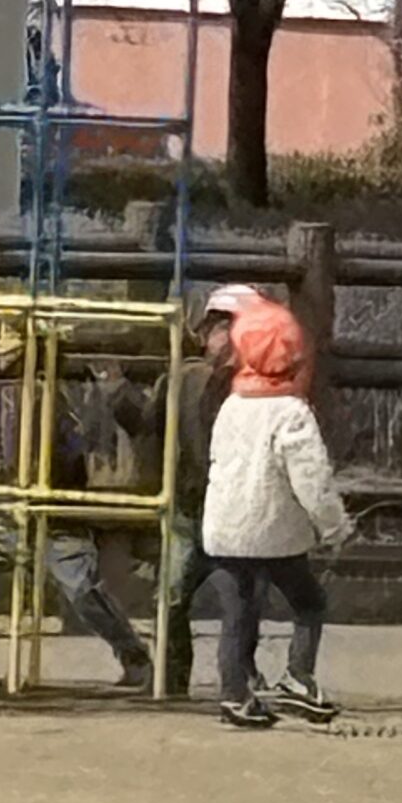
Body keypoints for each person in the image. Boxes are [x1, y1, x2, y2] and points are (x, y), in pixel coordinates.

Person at [0, 325, 152, 691]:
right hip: (13, 513)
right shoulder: (4, 393)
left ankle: (134, 656)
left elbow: (72, 453)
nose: (3, 358)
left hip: (54, 517)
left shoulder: (61, 397)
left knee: (84, 593)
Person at [202, 298, 351, 730]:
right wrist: (334, 526)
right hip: (274, 534)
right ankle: (298, 677)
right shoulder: (292, 413)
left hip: (225, 530)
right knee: (309, 602)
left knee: (237, 616)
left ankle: (235, 696)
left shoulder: (232, 405)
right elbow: (312, 479)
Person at [163, 283, 265, 696]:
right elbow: (154, 425)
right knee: (171, 596)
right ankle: (172, 678)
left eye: (222, 328)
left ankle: (240, 679)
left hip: (234, 510)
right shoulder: (190, 379)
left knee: (239, 602)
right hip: (192, 506)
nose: (212, 338)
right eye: (213, 329)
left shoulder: (257, 386)